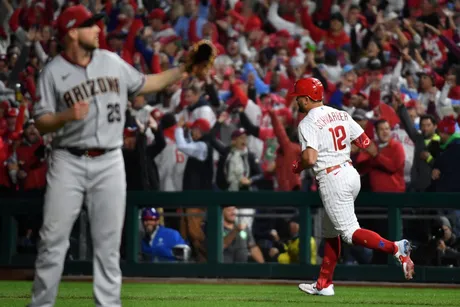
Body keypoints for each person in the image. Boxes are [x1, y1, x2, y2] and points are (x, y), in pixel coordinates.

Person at [29, 5, 203, 307]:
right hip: (67, 159)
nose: (99, 29)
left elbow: (147, 83)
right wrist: (66, 116)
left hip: (110, 159)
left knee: (109, 243)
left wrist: (184, 69)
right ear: (72, 31)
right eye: (90, 25)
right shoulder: (53, 71)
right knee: (52, 241)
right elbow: (41, 120)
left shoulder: (111, 61)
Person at [291, 77, 414, 296]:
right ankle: (324, 283)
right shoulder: (341, 114)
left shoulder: (307, 122)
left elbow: (310, 158)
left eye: (299, 98)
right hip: (350, 173)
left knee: (348, 233)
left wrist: (298, 166)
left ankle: (396, 248)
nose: (296, 102)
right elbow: (365, 142)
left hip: (332, 178)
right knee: (331, 231)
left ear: (308, 98)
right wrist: (342, 152)